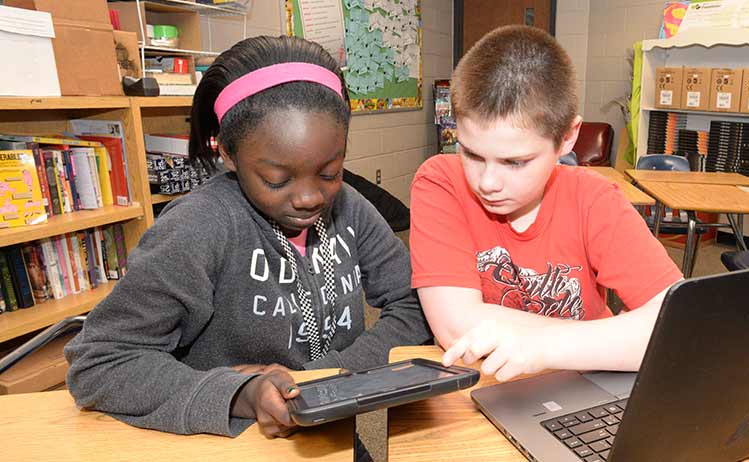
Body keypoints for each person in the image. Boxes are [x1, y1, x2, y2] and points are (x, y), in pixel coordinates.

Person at [65, 36, 432, 445]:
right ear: (228, 153)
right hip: (236, 442)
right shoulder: (198, 227)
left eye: (329, 172)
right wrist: (239, 394)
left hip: (336, 433)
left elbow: (415, 301)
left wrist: (335, 375)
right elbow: (100, 361)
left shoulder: (350, 206)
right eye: (277, 179)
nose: (310, 197)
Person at [410, 25, 684, 383]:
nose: (487, 183)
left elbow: (676, 327)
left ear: (568, 137)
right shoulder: (440, 181)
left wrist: (544, 348)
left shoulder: (594, 198)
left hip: (587, 387)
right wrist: (613, 338)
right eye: (472, 153)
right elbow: (455, 325)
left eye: (515, 162)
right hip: (487, 388)